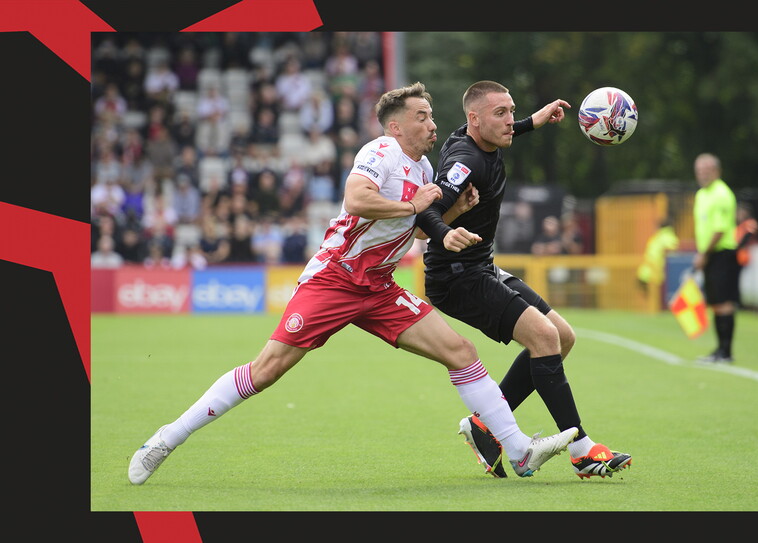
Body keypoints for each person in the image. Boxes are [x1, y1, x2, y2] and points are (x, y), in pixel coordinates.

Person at [128, 82, 578, 486]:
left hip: (380, 286)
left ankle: (518, 450)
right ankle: (166, 439)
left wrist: (452, 214)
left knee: (461, 353)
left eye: (432, 115)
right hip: (335, 278)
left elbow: (420, 231)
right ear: (396, 127)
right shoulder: (380, 152)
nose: (432, 124)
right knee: (266, 371)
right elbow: (356, 199)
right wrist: (413, 205)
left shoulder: (425, 172)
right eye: (422, 117)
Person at [415, 80, 631, 479]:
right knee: (544, 338)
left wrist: (534, 120)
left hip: (482, 266)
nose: (510, 121)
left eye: (511, 111)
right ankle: (582, 450)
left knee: (562, 337)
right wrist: (446, 231)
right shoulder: (465, 159)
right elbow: (422, 218)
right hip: (456, 276)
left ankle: (485, 425)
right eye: (502, 114)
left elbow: (504, 128)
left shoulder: (480, 137)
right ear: (474, 119)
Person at [691, 153, 739, 363]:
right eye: (700, 170)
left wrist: (704, 253)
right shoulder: (702, 194)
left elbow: (719, 230)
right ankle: (720, 349)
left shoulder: (721, 194)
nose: (703, 174)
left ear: (716, 171)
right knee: (716, 302)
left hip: (721, 253)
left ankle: (726, 351)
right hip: (710, 254)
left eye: (707, 170)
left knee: (724, 302)